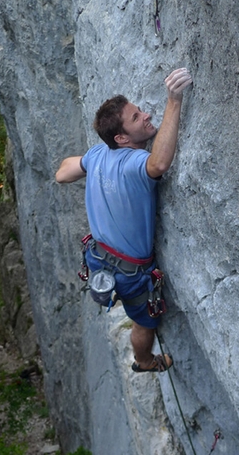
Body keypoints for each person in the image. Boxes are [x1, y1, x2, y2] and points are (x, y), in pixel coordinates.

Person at [56, 67, 192, 372]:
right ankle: (144, 361)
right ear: (121, 137)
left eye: (139, 110)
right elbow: (158, 162)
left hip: (98, 258)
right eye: (136, 118)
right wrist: (174, 101)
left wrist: (88, 167)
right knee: (145, 322)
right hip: (131, 274)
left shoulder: (98, 155)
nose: (145, 115)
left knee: (133, 305)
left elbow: (62, 173)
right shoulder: (134, 163)